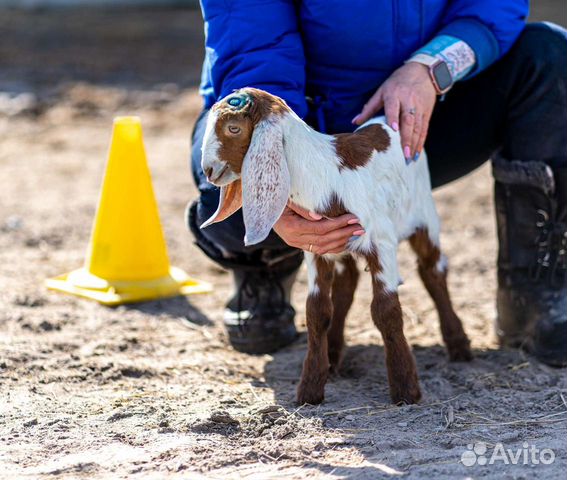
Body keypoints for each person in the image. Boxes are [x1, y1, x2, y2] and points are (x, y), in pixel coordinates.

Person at [187, 0, 566, 366]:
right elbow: (254, 47)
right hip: (308, 129)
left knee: (546, 55)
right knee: (229, 199)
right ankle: (266, 264)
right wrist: (279, 187)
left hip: (417, 112)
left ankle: (535, 290)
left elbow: (491, 7)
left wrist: (430, 68)